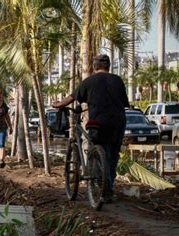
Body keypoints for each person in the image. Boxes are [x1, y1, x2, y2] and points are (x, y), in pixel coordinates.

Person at [53, 54, 129, 203]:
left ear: (94, 67)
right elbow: (125, 103)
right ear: (108, 67)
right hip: (118, 122)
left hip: (98, 123)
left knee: (102, 151)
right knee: (113, 154)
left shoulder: (89, 81)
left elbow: (72, 97)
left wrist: (58, 104)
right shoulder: (118, 80)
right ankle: (109, 187)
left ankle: (104, 189)